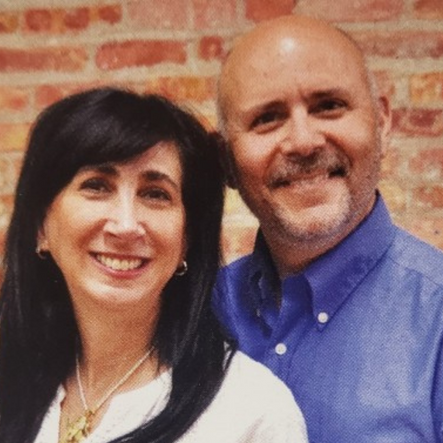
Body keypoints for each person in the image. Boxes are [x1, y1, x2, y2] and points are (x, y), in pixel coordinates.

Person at [0, 87, 308, 443]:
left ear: (187, 238)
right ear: (40, 227)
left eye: (155, 194)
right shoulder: (12, 382)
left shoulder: (251, 413)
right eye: (97, 186)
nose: (125, 225)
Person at [213, 14, 443, 443]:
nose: (303, 142)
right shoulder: (196, 313)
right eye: (267, 118)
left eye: (329, 106)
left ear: (381, 121)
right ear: (225, 158)